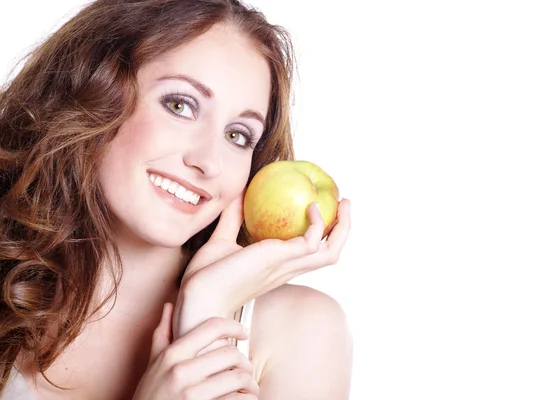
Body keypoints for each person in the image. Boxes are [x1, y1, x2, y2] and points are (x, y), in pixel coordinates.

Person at [0, 0, 353, 399]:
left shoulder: (299, 330)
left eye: (238, 135)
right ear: (93, 91)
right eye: (180, 106)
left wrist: (205, 312)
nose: (207, 162)